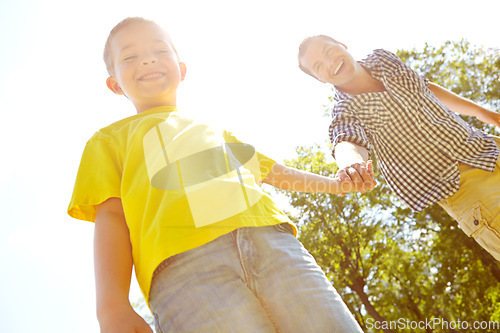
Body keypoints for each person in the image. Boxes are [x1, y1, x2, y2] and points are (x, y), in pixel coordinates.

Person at [68, 18, 366, 333]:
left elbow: (274, 172)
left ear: (181, 70)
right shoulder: (108, 139)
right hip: (185, 268)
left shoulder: (215, 130)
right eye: (129, 56)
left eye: (159, 50)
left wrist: (336, 185)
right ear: (114, 83)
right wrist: (111, 307)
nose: (147, 59)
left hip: (274, 244)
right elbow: (111, 216)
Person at [298, 35, 500, 260]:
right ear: (319, 78)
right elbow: (347, 140)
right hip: (461, 184)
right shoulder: (345, 111)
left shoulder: (383, 59)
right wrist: (351, 164)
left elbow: (425, 87)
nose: (329, 63)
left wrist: (484, 113)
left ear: (342, 45)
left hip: (487, 147)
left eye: (328, 51)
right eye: (318, 66)